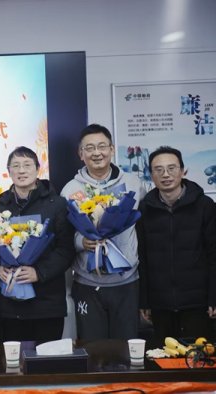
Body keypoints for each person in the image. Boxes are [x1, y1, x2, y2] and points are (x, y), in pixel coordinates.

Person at [61, 124, 146, 340]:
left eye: (102, 146)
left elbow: (144, 230)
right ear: (81, 154)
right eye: (89, 148)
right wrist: (81, 241)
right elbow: (62, 237)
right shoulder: (70, 190)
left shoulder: (133, 184)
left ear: (112, 149)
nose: (96, 153)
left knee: (127, 347)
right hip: (87, 283)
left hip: (127, 281)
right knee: (92, 349)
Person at [0, 147, 75, 343]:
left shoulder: (57, 204)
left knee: (47, 359)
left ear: (38, 169)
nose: (21, 171)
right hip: (11, 303)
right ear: (9, 171)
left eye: (27, 165)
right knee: (14, 359)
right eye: (16, 166)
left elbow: (66, 250)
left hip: (47, 303)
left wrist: (39, 272)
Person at [137, 146, 216, 342]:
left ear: (183, 171)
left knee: (198, 356)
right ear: (151, 175)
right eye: (159, 169)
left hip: (197, 303)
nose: (166, 175)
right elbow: (142, 258)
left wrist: (213, 296)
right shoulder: (144, 209)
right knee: (163, 357)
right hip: (160, 304)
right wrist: (144, 301)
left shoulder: (205, 206)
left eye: (171, 168)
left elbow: (214, 254)